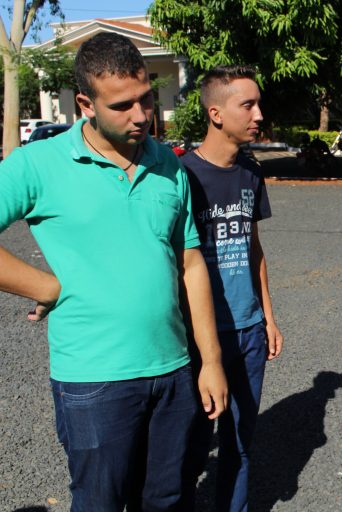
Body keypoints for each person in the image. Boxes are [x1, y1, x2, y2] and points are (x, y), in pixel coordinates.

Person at [0, 33, 227, 510]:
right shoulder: (38, 165)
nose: (141, 115)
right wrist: (45, 285)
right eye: (122, 105)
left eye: (146, 98)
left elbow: (190, 263)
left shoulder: (168, 165)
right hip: (93, 380)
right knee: (100, 502)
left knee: (168, 500)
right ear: (85, 104)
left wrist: (210, 361)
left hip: (173, 371)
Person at [179, 65, 284, 512]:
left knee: (240, 443)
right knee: (191, 446)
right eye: (248, 105)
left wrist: (268, 317)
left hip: (249, 332)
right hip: (200, 337)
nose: (258, 114)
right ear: (216, 113)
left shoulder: (250, 173)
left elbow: (253, 248)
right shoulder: (181, 176)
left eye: (258, 104)